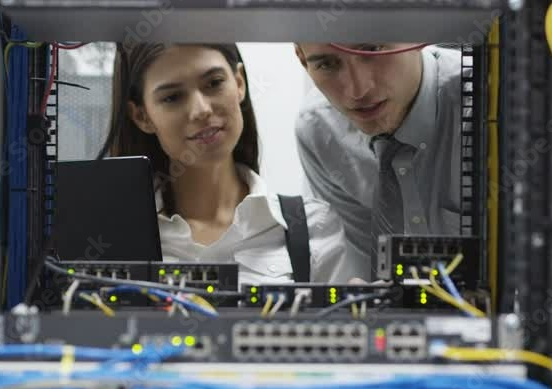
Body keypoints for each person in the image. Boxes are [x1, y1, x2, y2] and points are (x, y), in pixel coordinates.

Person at [102, 43, 357, 285]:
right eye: (172, 97)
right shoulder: (109, 237)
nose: (201, 110)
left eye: (214, 83)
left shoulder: (315, 228)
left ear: (239, 82)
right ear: (141, 116)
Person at [294, 43, 463, 280]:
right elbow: (362, 275)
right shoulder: (319, 129)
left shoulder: (490, 100)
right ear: (302, 59)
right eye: (327, 64)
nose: (358, 90)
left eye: (373, 51)